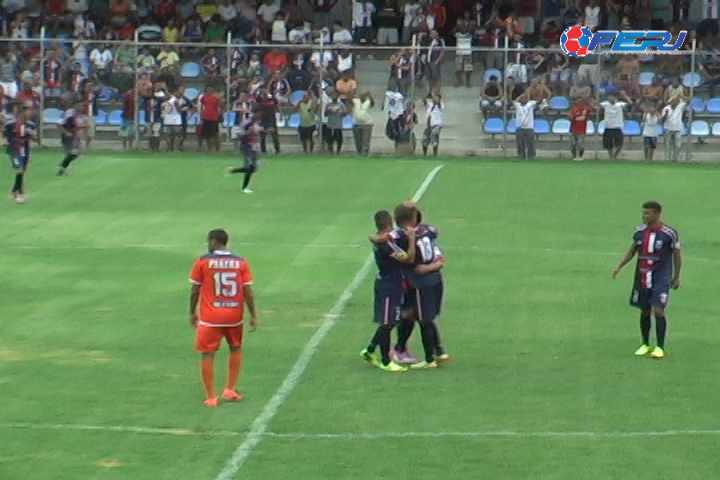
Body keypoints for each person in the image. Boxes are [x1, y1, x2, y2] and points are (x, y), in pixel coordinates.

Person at [189, 229, 257, 407]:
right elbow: (248, 292)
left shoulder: (203, 261)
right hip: (234, 315)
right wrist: (253, 315)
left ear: (213, 242)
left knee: (207, 354)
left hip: (211, 317)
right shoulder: (240, 262)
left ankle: (211, 397)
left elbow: (195, 289)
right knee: (235, 348)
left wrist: (191, 311)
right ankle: (230, 389)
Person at [612, 202, 681, 359]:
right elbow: (633, 250)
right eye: (643, 213)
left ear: (657, 214)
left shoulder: (669, 233)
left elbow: (677, 255)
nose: (644, 216)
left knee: (658, 310)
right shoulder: (640, 232)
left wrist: (676, 276)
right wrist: (620, 266)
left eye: (648, 214)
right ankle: (645, 344)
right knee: (644, 310)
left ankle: (660, 347)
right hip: (642, 276)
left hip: (661, 277)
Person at [360, 210, 415, 372]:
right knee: (386, 323)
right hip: (389, 287)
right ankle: (385, 361)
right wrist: (411, 239)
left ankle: (370, 350)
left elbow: (374, 237)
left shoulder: (382, 239)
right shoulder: (386, 245)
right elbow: (408, 258)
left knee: (390, 322)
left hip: (391, 284)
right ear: (389, 223)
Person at [227, 112, 267, 194]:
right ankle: (244, 188)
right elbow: (241, 136)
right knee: (250, 166)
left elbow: (259, 133)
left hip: (254, 147)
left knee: (253, 168)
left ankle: (234, 170)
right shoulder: (247, 125)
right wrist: (249, 133)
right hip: (247, 147)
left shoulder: (256, 125)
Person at [4, 106, 36, 203]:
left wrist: (32, 134)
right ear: (22, 113)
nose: (29, 114)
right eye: (28, 112)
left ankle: (16, 191)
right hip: (14, 148)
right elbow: (5, 133)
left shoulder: (30, 124)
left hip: (25, 148)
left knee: (23, 170)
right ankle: (19, 193)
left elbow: (34, 137)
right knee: (19, 168)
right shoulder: (11, 124)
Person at [57, 100, 85, 177]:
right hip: (68, 138)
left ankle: (63, 166)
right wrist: (66, 132)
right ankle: (63, 170)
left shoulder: (78, 115)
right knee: (72, 153)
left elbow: (77, 126)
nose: (81, 107)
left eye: (82, 105)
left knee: (77, 152)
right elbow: (59, 124)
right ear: (75, 105)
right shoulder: (69, 113)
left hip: (75, 138)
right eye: (80, 105)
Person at [600, 95, 631, 161]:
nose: (611, 99)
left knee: (619, 144)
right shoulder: (605, 104)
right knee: (608, 144)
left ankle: (615, 155)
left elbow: (630, 103)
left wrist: (625, 95)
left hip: (618, 127)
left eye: (612, 98)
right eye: (609, 98)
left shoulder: (620, 104)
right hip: (608, 126)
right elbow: (596, 104)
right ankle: (610, 157)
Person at [661, 96, 686, 162]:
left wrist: (681, 96)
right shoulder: (666, 108)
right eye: (673, 101)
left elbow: (687, 101)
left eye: (676, 101)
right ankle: (667, 160)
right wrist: (666, 114)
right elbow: (662, 120)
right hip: (668, 128)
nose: (675, 103)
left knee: (678, 146)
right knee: (667, 145)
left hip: (677, 129)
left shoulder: (680, 107)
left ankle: (674, 159)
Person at [198, 86, 222, 153]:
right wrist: (201, 115)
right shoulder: (204, 98)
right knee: (207, 135)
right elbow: (202, 106)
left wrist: (218, 115)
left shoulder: (216, 99)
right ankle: (210, 149)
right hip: (206, 117)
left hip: (213, 118)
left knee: (214, 134)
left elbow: (219, 107)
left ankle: (217, 148)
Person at [513, 94, 537, 160]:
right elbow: (513, 102)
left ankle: (531, 156)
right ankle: (521, 155)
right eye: (523, 98)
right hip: (520, 127)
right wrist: (519, 96)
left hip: (529, 127)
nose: (524, 99)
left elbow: (537, 102)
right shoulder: (518, 105)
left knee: (530, 143)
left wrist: (528, 97)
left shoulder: (531, 104)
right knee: (520, 143)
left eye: (526, 98)